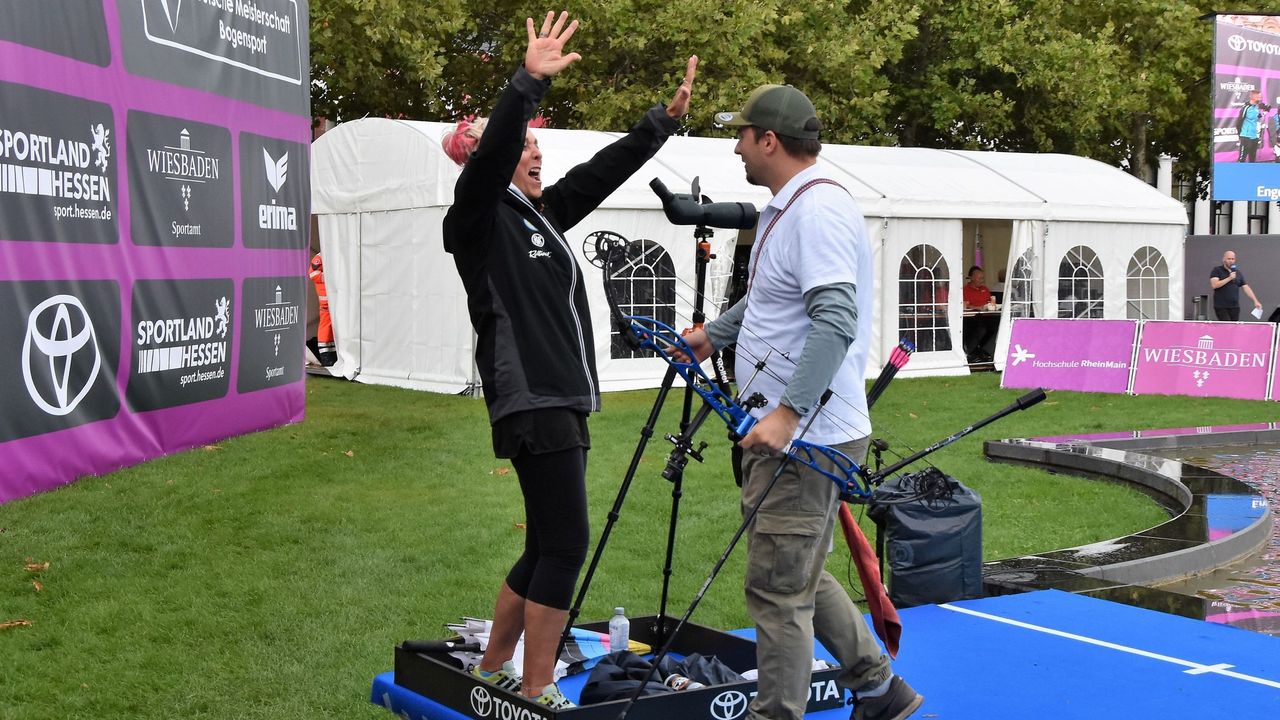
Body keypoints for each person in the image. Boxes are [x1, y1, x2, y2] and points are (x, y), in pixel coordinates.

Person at [440, 10, 697, 709]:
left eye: (535, 145)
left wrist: (661, 123)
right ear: (479, 157)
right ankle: (537, 684)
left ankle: (493, 669)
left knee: (545, 543)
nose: (534, 153)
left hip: (561, 398)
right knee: (567, 546)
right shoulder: (477, 215)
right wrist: (526, 82)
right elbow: (492, 157)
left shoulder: (540, 214)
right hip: (533, 397)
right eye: (521, 145)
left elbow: (596, 175)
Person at [685, 84, 922, 720]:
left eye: (742, 134)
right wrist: (715, 335)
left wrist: (786, 416)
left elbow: (835, 320)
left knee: (776, 588)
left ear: (769, 140)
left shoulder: (815, 212)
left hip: (805, 436)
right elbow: (773, 301)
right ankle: (879, 689)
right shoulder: (791, 209)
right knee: (801, 574)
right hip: (802, 430)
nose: (735, 146)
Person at [1210, 249, 1262, 321]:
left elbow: (1246, 287)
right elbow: (1214, 285)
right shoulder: (1217, 270)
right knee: (1227, 326)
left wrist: (1255, 301)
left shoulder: (1237, 272)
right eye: (1229, 259)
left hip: (1234, 306)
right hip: (1221, 306)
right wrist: (1229, 278)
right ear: (1224, 259)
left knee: (1234, 327)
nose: (1231, 261)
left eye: (1233, 259)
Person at [961, 266, 997, 364]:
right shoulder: (965, 290)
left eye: (983, 278)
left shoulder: (985, 289)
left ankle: (984, 352)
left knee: (997, 326)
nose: (982, 280)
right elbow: (965, 305)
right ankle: (970, 352)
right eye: (979, 278)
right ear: (971, 278)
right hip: (971, 318)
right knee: (981, 328)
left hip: (986, 316)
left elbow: (990, 302)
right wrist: (977, 307)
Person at [308, 252, 336, 366]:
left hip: (335, 301)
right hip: (327, 302)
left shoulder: (334, 252)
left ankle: (332, 355)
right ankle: (326, 357)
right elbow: (313, 274)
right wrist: (331, 278)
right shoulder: (321, 256)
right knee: (326, 326)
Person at [1237, 90, 1267, 163]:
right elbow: (1239, 122)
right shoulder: (1246, 108)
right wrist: (1240, 135)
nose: (1260, 98)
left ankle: (1251, 173)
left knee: (1252, 159)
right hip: (1245, 137)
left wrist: (1264, 113)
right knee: (1242, 159)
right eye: (1259, 97)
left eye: (1261, 96)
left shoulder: (1257, 108)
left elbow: (1259, 119)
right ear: (1253, 97)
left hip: (1254, 137)